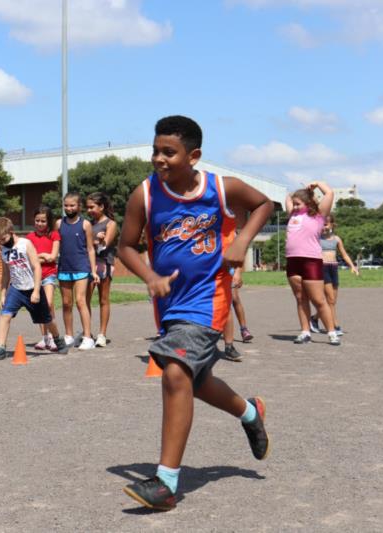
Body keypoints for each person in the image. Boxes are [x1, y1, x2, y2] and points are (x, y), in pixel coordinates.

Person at [117, 116, 273, 511]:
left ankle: (166, 482)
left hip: (209, 299)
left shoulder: (220, 188)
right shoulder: (146, 195)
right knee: (195, 382)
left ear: (194, 155)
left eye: (168, 151)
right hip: (170, 304)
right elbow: (127, 247)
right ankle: (250, 412)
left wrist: (240, 240)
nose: (158, 158)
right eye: (155, 150)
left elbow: (264, 204)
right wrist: (149, 275)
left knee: (174, 372)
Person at [0, 217, 68, 361]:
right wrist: (3, 293)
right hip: (16, 289)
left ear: (11, 232)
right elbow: (6, 273)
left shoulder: (25, 244)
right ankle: (1, 348)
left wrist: (37, 290)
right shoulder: (4, 249)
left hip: (32, 287)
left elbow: (37, 267)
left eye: (4, 238)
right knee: (5, 315)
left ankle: (57, 339)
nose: (2, 242)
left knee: (47, 319)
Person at [285, 182, 339, 345]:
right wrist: (302, 193)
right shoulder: (292, 215)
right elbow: (288, 196)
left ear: (308, 204)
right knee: (300, 298)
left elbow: (329, 193)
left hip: (311, 260)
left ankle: (331, 332)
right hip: (292, 260)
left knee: (318, 299)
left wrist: (316, 185)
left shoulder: (318, 216)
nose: (294, 206)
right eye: (294, 204)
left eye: (297, 204)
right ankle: (305, 331)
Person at [56, 192, 99, 350]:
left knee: (81, 301)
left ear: (79, 206)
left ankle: (88, 337)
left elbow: (90, 249)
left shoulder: (85, 224)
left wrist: (93, 271)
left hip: (81, 267)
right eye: (66, 205)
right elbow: (56, 246)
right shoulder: (59, 224)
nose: (69, 208)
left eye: (72, 205)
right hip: (64, 268)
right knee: (67, 303)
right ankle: (68, 336)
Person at [309, 214, 359, 335]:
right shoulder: (316, 238)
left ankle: (314, 319)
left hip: (333, 268)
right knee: (330, 299)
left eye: (326, 224)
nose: (323, 227)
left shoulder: (337, 239)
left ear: (332, 225)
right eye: (321, 225)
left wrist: (353, 266)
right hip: (322, 268)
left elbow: (344, 254)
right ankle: (334, 326)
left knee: (332, 301)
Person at [85, 192, 118, 348]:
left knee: (103, 300)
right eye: (87, 207)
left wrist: (99, 239)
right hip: (88, 264)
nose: (89, 210)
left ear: (102, 206)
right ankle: (87, 333)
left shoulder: (110, 223)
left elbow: (105, 244)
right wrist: (94, 238)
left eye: (92, 207)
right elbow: (84, 244)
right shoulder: (88, 224)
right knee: (85, 300)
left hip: (104, 264)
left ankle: (102, 334)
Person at [26, 205, 61, 352]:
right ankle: (44, 337)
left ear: (49, 221)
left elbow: (53, 256)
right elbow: (28, 259)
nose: (40, 224)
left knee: (49, 303)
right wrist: (43, 257)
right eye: (37, 221)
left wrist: (39, 257)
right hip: (35, 276)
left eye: (43, 221)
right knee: (40, 306)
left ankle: (53, 337)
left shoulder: (54, 235)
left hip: (49, 274)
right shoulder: (29, 238)